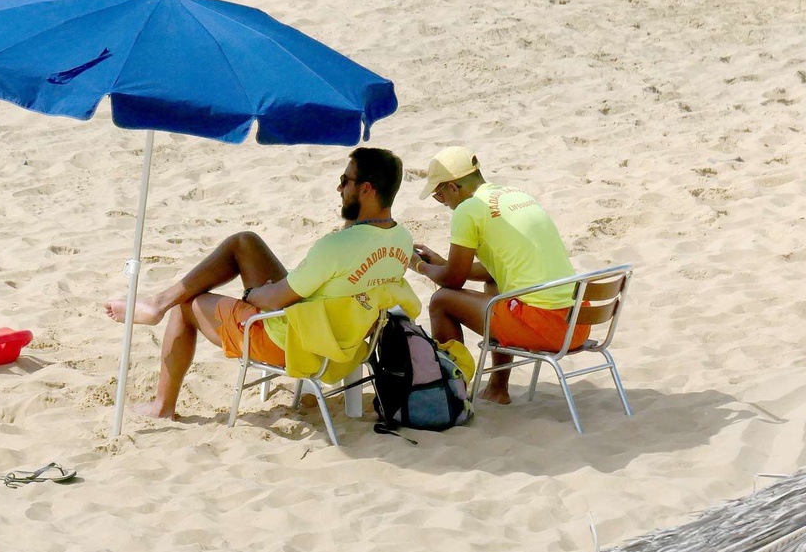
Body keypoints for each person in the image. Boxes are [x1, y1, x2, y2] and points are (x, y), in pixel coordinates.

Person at [105, 147, 415, 420]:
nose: (338, 187)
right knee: (246, 243)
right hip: (345, 339)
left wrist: (255, 293)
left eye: (345, 181)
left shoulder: (335, 248)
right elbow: (348, 270)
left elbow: (273, 301)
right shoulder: (402, 240)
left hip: (289, 341)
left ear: (366, 190)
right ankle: (156, 303)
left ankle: (162, 404)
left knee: (186, 304)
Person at [409, 146, 580, 405]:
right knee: (494, 281)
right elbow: (497, 268)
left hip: (546, 327)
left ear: (454, 188)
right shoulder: (515, 194)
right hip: (577, 322)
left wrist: (419, 266)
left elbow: (454, 281)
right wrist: (444, 264)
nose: (442, 202)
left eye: (439, 195)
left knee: (441, 301)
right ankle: (498, 388)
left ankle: (453, 392)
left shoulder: (468, 209)